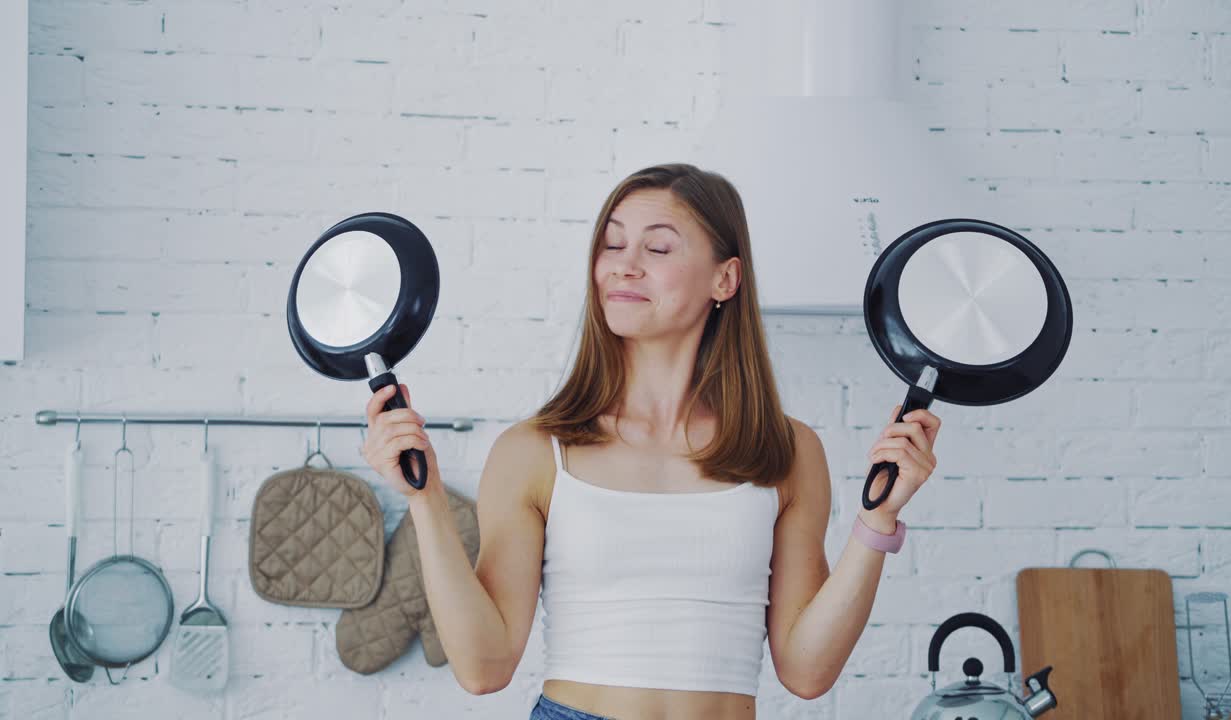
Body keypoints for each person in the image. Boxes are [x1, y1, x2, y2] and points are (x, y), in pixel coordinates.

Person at [361, 163, 942, 719]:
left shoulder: (785, 452)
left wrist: (879, 522)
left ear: (725, 278)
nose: (623, 265)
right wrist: (426, 499)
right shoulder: (535, 451)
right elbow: (483, 668)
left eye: (657, 248)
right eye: (612, 246)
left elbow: (807, 672)